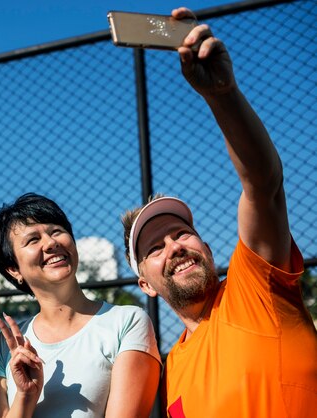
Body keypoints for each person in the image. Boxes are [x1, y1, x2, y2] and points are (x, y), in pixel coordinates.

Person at [121, 7, 317, 418]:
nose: (173, 246)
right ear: (146, 284)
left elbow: (264, 186)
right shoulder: (168, 371)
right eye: (154, 248)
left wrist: (222, 96)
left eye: (181, 234)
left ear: (207, 248)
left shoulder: (257, 289)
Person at [0, 193, 161, 418]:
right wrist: (25, 396)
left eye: (56, 231)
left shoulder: (127, 321)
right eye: (33, 240)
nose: (51, 243)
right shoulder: (4, 347)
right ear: (13, 269)